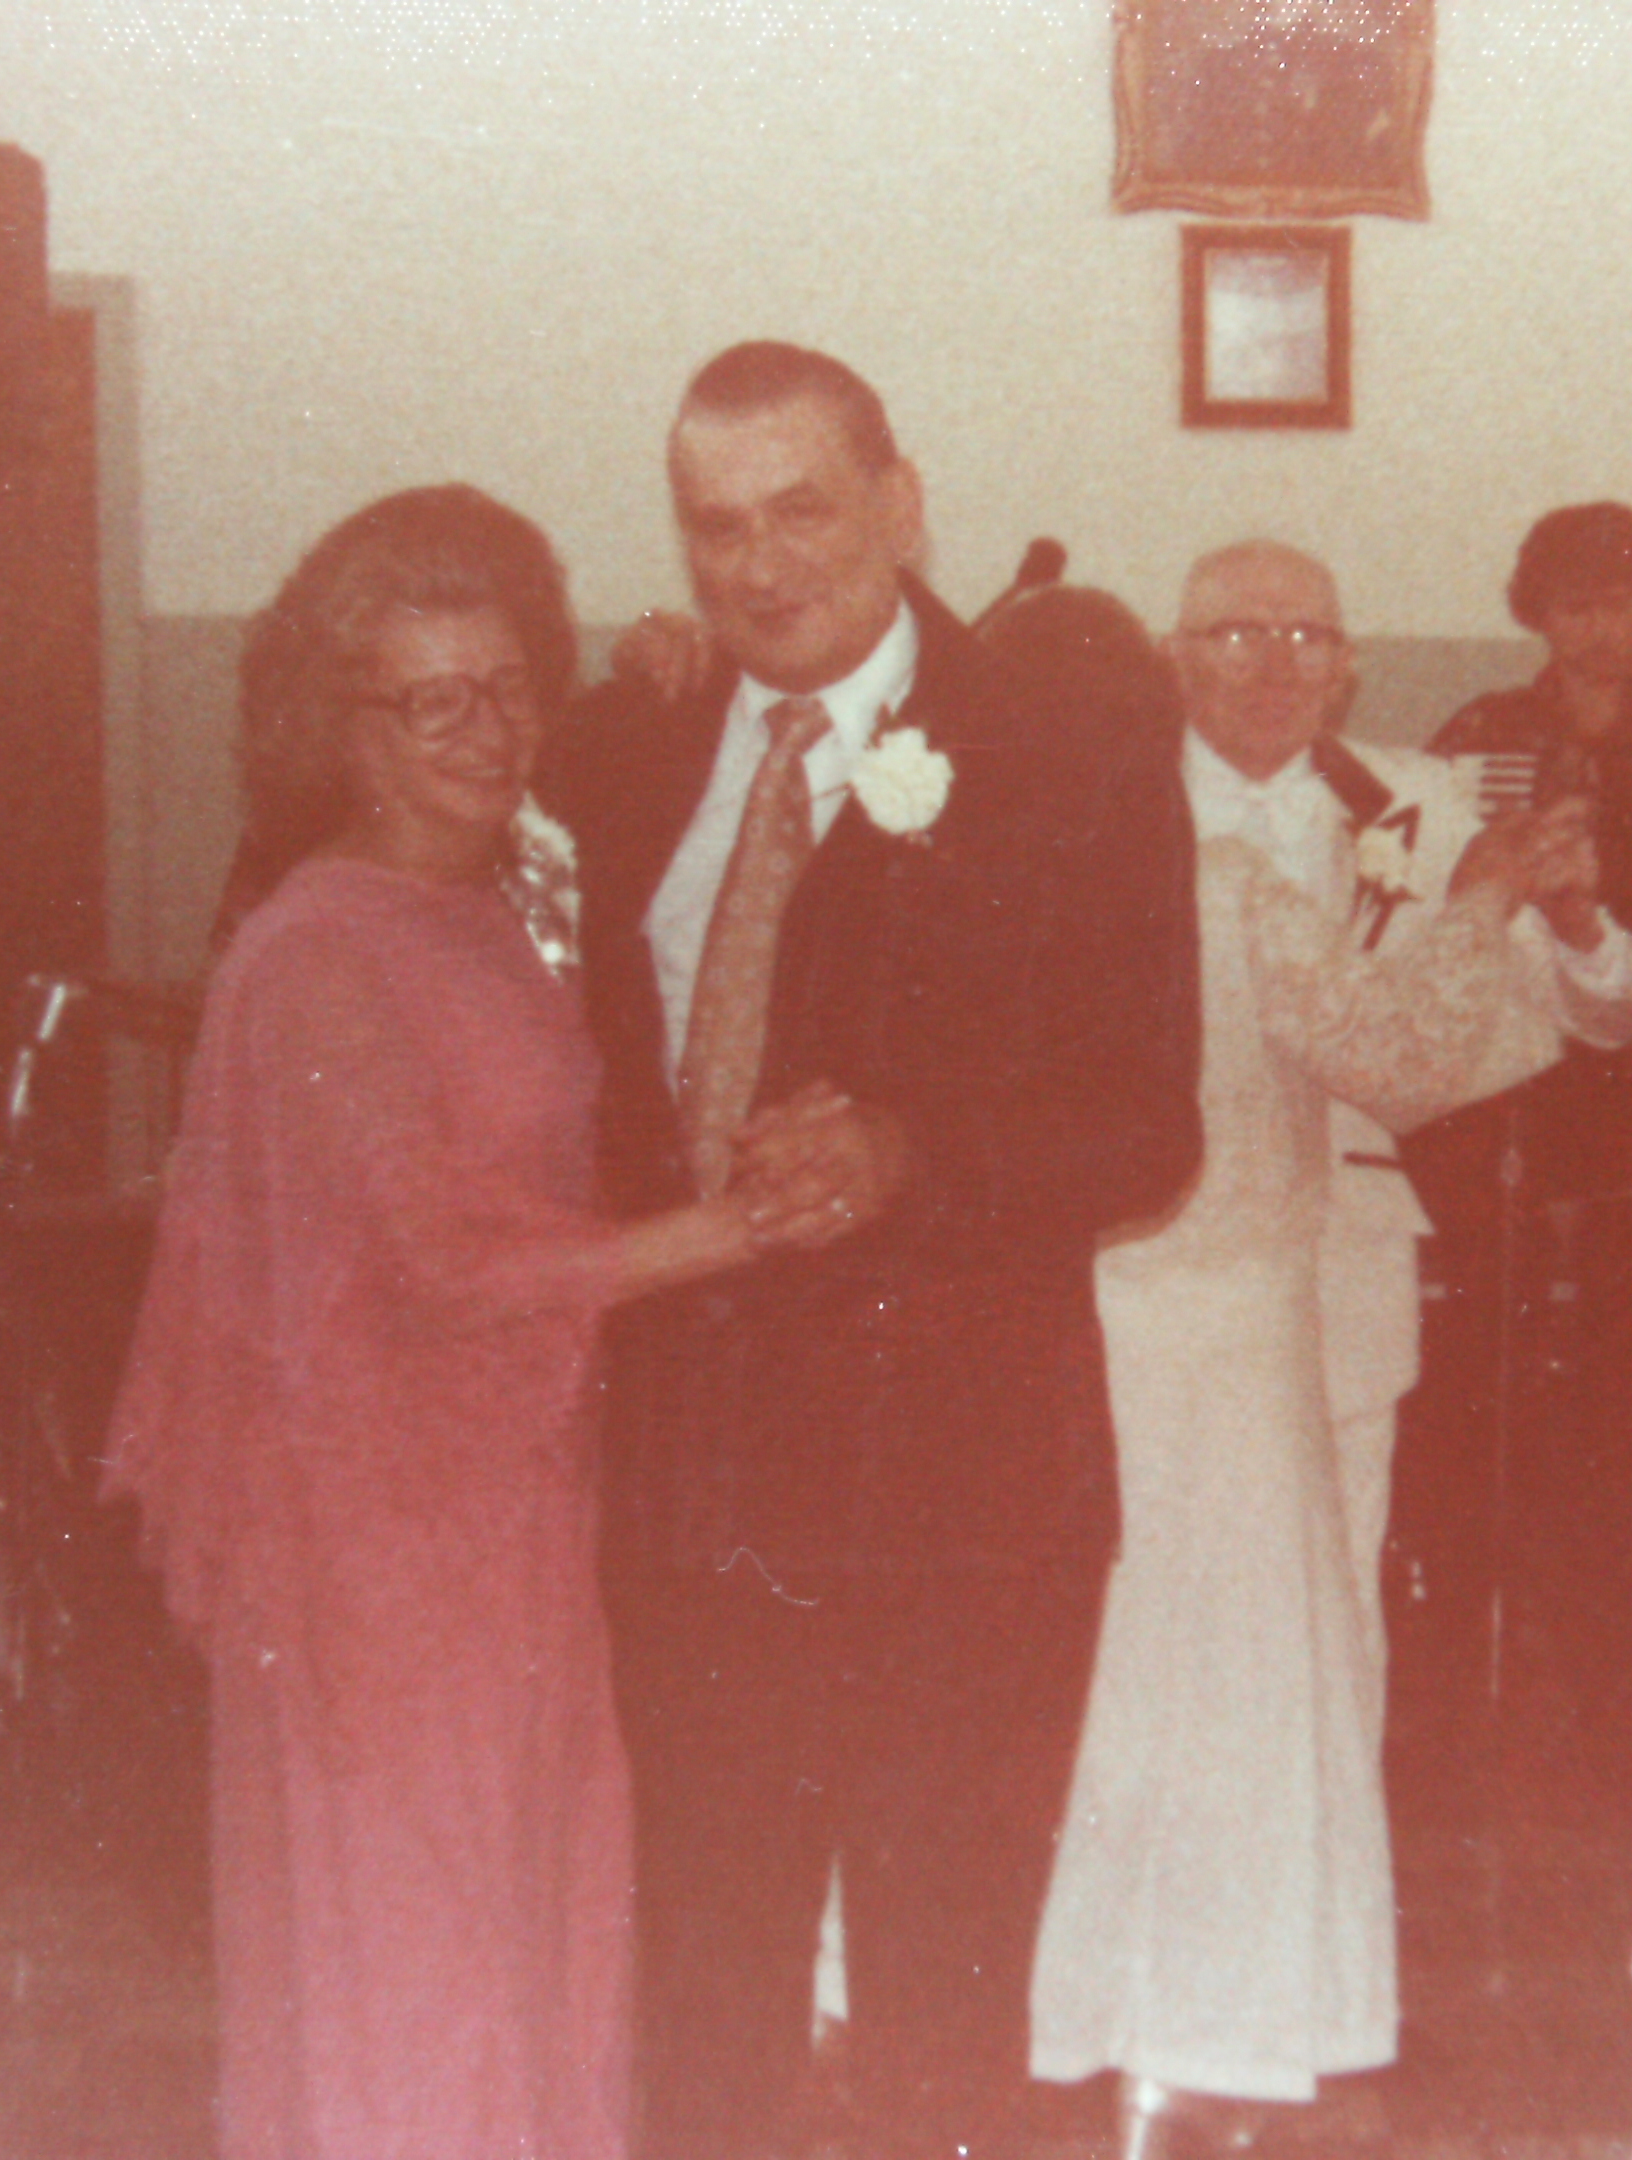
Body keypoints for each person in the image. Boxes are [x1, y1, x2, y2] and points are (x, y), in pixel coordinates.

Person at [539, 342, 1203, 2160]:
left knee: (938, 2002)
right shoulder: (624, 750)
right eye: (714, 528)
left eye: (801, 511)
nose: (758, 566)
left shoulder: (1065, 748)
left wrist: (915, 1157)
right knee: (699, 1988)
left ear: (900, 506)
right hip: (688, 1493)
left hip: (956, 1497)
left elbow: (1149, 1125)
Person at [103, 485, 764, 2160]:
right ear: (348, 735)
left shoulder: (482, 904)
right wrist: (722, 1235)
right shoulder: (318, 952)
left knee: (522, 1924)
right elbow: (433, 1263)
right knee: (425, 1945)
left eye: (505, 685)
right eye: (430, 702)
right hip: (382, 1552)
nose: (486, 729)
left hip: (508, 1514)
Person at [1028, 542, 1632, 2151]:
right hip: (1152, 1269)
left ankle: (1276, 1980)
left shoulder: (1425, 804)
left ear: (1350, 661)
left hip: (1345, 1267)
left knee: (1321, 1649)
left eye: (1305, 633)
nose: (1271, 662)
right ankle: (1142, 1980)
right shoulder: (1108, 808)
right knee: (1125, 1636)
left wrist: (1575, 921)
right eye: (1236, 632)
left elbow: (1602, 1011)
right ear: (1175, 655)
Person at [1399, 501, 1632, 1821]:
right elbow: (1431, 908)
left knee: (1621, 1438)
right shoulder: (1481, 738)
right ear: (1536, 613)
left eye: (1619, 602)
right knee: (1479, 1422)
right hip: (1504, 1110)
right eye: (1573, 604)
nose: (1599, 629)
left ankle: (1614, 1714)